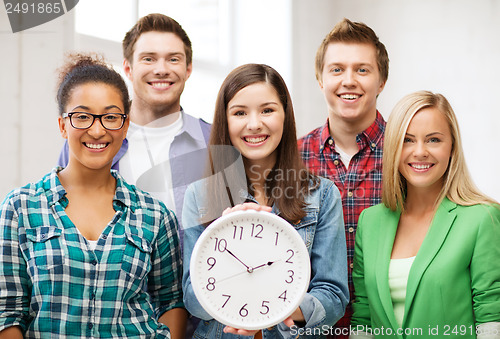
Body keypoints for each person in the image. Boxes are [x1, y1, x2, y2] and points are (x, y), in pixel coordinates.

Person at [0, 54, 187, 338]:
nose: (97, 130)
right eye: (83, 116)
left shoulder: (155, 215)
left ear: (125, 126)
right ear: (63, 125)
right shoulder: (20, 207)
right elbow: (7, 311)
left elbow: (170, 301)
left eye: (111, 117)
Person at [182, 63, 349, 338]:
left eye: (267, 110)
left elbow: (333, 298)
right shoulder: (200, 196)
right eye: (239, 113)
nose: (255, 123)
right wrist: (221, 234)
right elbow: (192, 299)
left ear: (285, 115)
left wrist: (269, 310)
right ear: (226, 120)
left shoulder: (322, 194)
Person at [350, 91, 500, 339]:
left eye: (433, 140)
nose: (419, 152)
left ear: (452, 147)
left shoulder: (483, 218)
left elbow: (492, 318)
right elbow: (363, 317)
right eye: (407, 140)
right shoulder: (370, 221)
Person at [57, 13, 211, 243]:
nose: (161, 69)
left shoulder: (213, 140)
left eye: (173, 59)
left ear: (188, 69)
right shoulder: (90, 140)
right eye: (148, 59)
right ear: (128, 68)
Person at [298, 18, 389, 337]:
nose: (349, 80)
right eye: (337, 69)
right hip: (310, 329)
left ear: (382, 81)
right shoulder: (292, 159)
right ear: (320, 79)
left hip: (388, 326)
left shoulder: (406, 156)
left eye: (362, 70)